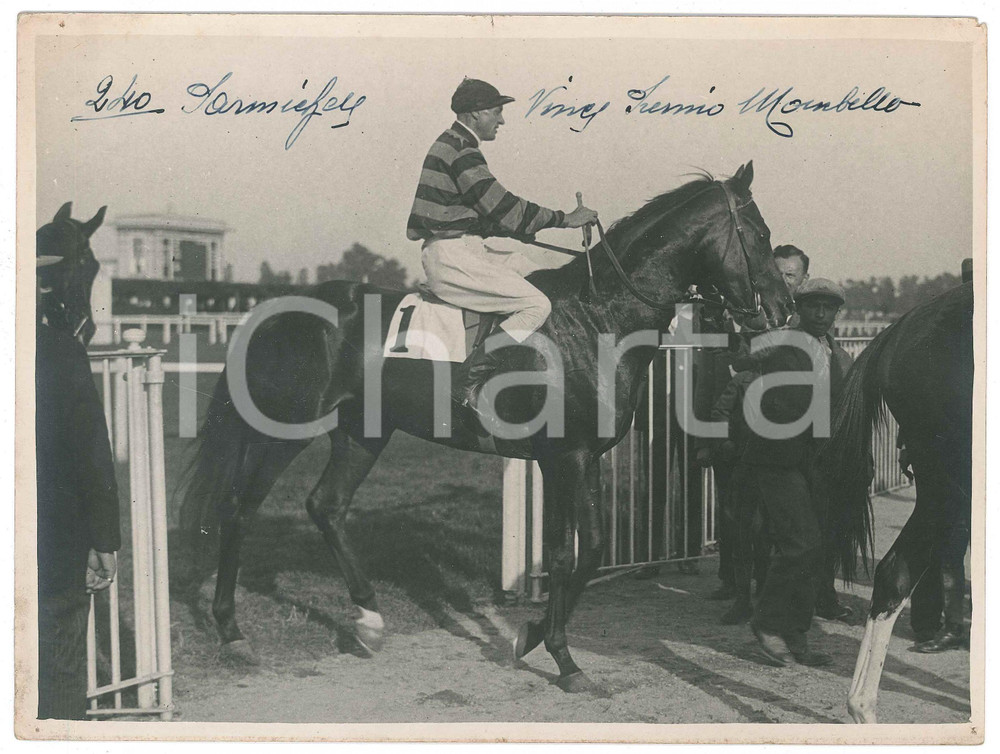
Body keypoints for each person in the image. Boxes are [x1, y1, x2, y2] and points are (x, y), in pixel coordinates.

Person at [407, 77, 598, 420]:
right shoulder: (461, 150)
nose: (501, 120)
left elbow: (483, 214)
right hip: (452, 256)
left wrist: (517, 229)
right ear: (477, 113)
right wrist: (564, 219)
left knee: (532, 270)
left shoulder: (457, 144)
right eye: (497, 112)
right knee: (536, 304)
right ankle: (468, 381)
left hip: (465, 249)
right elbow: (502, 206)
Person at [742, 279, 853, 667]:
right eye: (813, 307)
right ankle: (767, 622)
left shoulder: (836, 354)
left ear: (837, 313)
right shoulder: (783, 344)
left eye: (829, 308)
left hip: (815, 462)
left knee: (813, 548)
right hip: (778, 458)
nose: (821, 314)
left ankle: (796, 633)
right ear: (799, 308)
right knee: (800, 543)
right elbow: (791, 400)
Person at [35, 252, 121, 719]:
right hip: (52, 546)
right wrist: (104, 538)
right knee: (61, 669)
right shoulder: (60, 350)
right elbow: (90, 451)